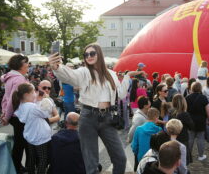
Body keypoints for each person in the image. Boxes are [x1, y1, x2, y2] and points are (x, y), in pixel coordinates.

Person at [49, 43, 142, 174]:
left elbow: (120, 94)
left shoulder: (111, 74)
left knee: (120, 158)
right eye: (86, 54)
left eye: (92, 53)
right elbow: (70, 76)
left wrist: (127, 77)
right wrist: (57, 67)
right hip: (88, 117)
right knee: (91, 164)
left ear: (99, 54)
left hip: (108, 118)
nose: (89, 56)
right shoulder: (84, 72)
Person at [13, 83, 52, 174]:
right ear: (27, 95)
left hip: (30, 136)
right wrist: (46, 99)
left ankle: (30, 171)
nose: (36, 93)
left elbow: (33, 111)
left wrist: (37, 101)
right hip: (40, 137)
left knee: (31, 157)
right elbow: (45, 114)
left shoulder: (21, 106)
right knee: (43, 159)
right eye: (33, 91)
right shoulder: (32, 107)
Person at [0, 54, 29, 173]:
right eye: (26, 63)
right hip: (18, 116)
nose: (28, 65)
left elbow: (6, 98)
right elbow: (13, 100)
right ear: (20, 65)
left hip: (14, 115)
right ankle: (17, 168)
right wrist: (6, 116)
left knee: (21, 142)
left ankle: (19, 166)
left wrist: (4, 112)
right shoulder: (19, 79)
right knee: (20, 143)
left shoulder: (11, 77)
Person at [186, 82, 209, 161]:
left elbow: (184, 109)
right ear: (200, 88)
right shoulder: (203, 98)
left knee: (190, 138)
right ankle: (200, 156)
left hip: (190, 120)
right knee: (200, 138)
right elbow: (208, 110)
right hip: (201, 120)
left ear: (192, 88)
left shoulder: (187, 97)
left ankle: (188, 155)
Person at [170, 94, 194, 163]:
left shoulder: (171, 112)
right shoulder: (184, 114)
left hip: (173, 138)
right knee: (183, 161)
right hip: (182, 139)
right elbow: (192, 127)